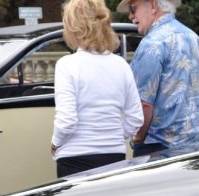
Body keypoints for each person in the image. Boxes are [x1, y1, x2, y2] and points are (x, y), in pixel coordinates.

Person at [51, 0, 143, 177]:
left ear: (72, 27)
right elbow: (135, 118)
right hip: (114, 154)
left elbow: (67, 121)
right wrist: (113, 135)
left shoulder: (66, 65)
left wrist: (55, 144)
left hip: (74, 156)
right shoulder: (121, 65)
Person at [116, 0, 199, 156]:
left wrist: (138, 140)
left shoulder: (152, 44)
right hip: (194, 145)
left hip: (158, 148)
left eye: (133, 8)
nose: (130, 16)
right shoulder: (193, 38)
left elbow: (143, 105)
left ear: (153, 5)